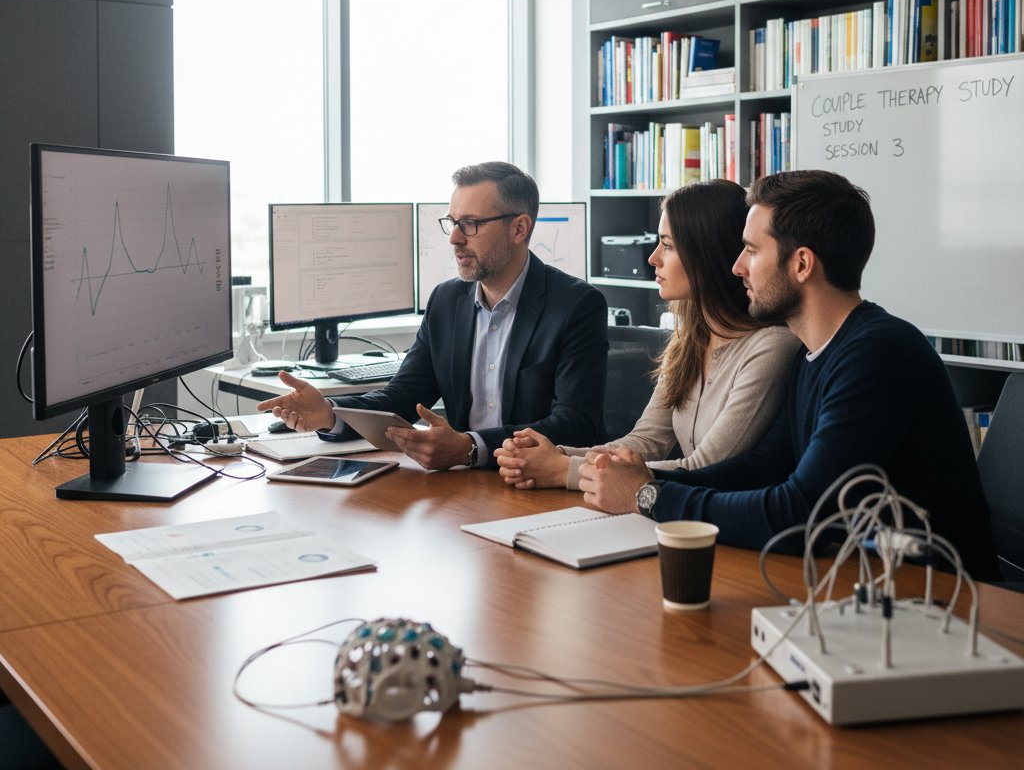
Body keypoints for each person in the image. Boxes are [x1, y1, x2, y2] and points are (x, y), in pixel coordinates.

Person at [578, 169, 999, 580]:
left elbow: (802, 514)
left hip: (941, 598)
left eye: (751, 250)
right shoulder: (815, 352)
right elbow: (763, 465)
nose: (737, 267)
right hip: (858, 576)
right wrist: (645, 480)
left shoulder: (877, 354)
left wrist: (648, 496)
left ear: (801, 264)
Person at [256, 161, 608, 471]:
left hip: (534, 485)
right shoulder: (446, 301)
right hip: (458, 488)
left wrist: (472, 447)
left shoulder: (575, 305)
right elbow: (403, 397)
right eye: (453, 222)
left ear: (519, 228)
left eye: (470, 224)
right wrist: (331, 412)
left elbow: (576, 424)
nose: (454, 238)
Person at [494, 179, 800, 492]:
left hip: (726, 526)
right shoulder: (690, 339)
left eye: (667, 245)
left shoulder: (771, 346)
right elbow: (646, 441)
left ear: (706, 254)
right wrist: (553, 455)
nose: (653, 258)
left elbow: (704, 467)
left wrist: (564, 471)